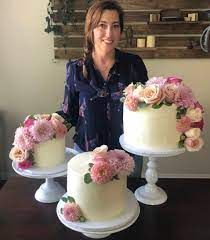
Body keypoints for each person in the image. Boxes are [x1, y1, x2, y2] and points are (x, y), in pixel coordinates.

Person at [58, 0, 148, 176]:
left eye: (115, 26)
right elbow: (69, 114)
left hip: (127, 156)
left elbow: (146, 109)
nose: (109, 33)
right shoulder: (75, 68)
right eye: (102, 25)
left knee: (129, 201)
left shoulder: (133, 65)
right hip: (86, 155)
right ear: (90, 29)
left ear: (120, 30)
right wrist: (46, 125)